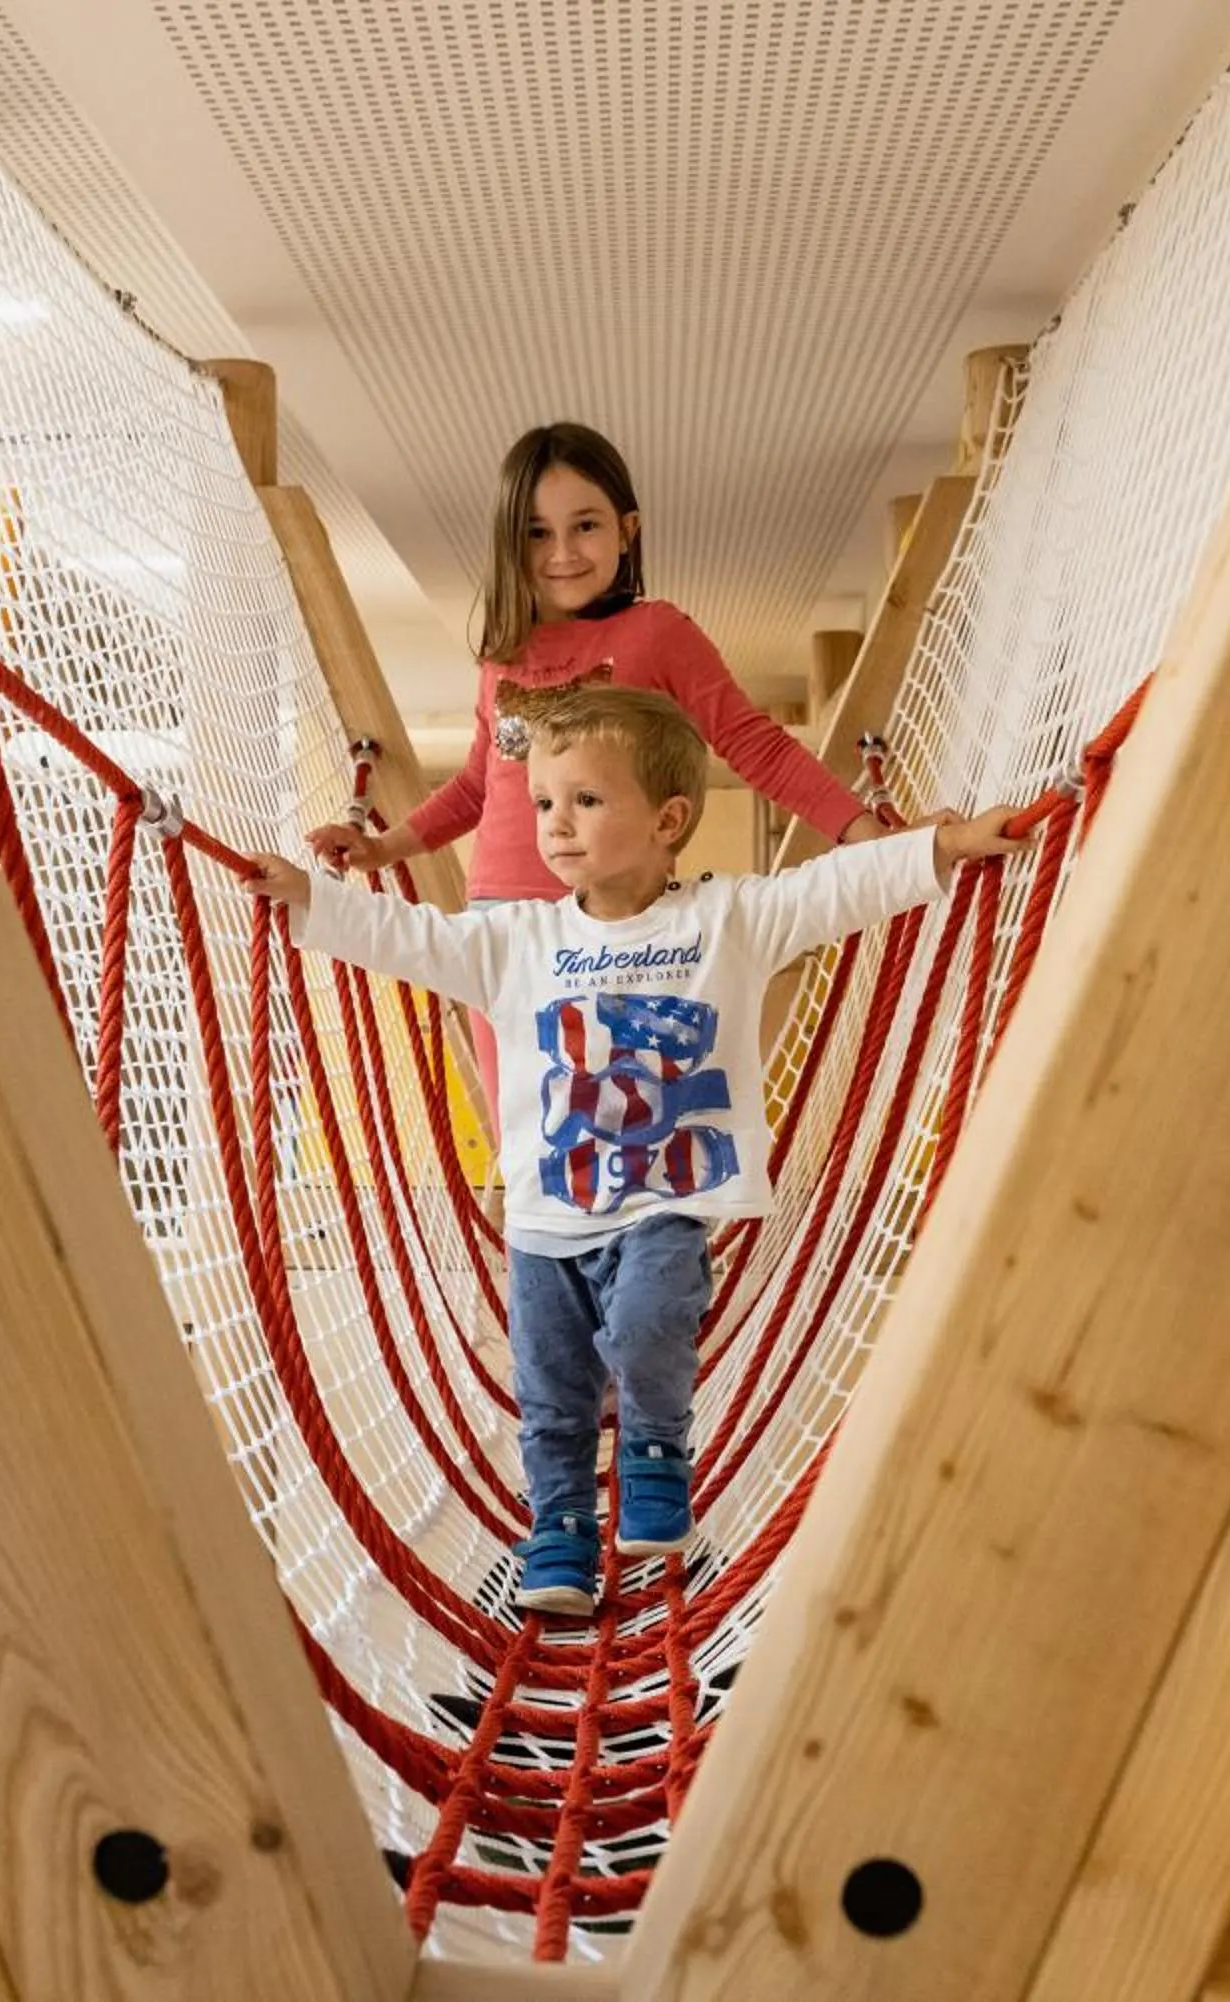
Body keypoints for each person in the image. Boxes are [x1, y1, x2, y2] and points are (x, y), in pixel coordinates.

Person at [249, 685, 1022, 1615]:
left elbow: (837, 888)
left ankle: (658, 1448)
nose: (556, 825)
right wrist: (310, 900)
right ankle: (561, 1530)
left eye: (585, 800)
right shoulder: (516, 939)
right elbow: (403, 935)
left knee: (653, 1323)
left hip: (668, 1200)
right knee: (552, 1387)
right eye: (543, 803)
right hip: (546, 1218)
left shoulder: (727, 919)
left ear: (669, 821)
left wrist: (942, 847)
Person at [304, 421, 895, 1092]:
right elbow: (480, 787)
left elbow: (752, 742)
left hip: (624, 919)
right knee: (528, 1129)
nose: (563, 552)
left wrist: (862, 832)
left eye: (585, 525)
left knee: (629, 1121)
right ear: (509, 541)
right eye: (536, 532)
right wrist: (387, 848)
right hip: (505, 924)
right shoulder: (504, 659)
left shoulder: (658, 634)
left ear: (627, 530)